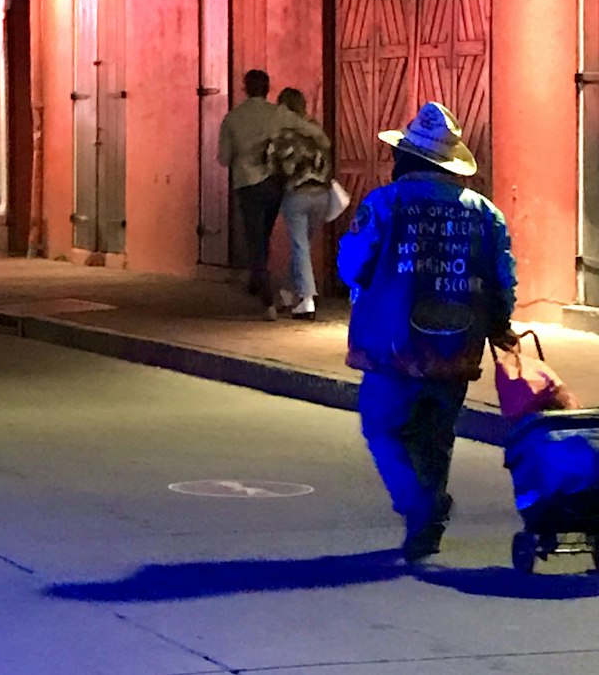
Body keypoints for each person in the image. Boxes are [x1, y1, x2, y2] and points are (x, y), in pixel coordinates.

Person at [337, 101, 517, 562]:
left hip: (393, 345)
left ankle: (422, 507)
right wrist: (500, 326)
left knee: (383, 428)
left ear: (408, 159)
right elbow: (503, 280)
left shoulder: (384, 204)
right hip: (457, 346)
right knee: (437, 435)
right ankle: (428, 517)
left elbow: (353, 266)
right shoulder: (485, 213)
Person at [217, 69, 283, 320]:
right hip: (274, 183)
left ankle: (266, 297)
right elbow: (309, 133)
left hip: (247, 183)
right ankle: (256, 281)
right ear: (268, 88)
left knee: (255, 238)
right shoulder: (278, 114)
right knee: (264, 234)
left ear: (245, 88)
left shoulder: (233, 118)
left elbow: (224, 158)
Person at [270, 87, 332, 321]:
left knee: (300, 246)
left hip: (297, 195)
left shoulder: (285, 135)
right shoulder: (316, 129)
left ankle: (307, 299)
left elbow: (279, 167)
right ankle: (287, 291)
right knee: (302, 245)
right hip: (322, 195)